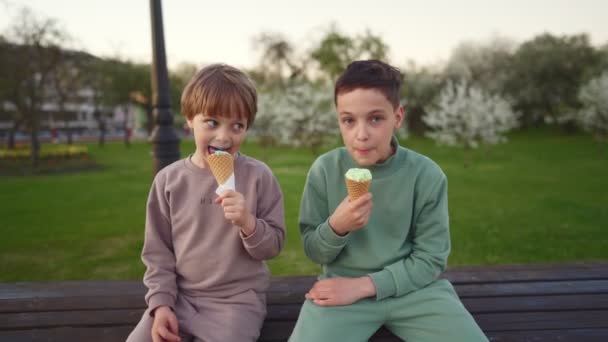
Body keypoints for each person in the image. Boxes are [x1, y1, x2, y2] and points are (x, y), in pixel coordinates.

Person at [289, 60, 488, 342]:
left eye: (375, 118)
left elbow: (430, 259)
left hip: (415, 291)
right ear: (338, 120)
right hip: (341, 292)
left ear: (397, 117)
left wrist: (364, 286)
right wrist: (337, 227)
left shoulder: (426, 175)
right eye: (349, 120)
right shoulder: (324, 170)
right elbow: (314, 251)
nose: (361, 134)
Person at [127, 64, 286, 342]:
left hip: (236, 302)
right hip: (180, 297)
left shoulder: (259, 177)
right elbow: (158, 252)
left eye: (237, 125)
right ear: (189, 118)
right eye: (212, 122)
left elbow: (273, 246)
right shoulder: (168, 181)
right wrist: (161, 305)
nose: (224, 137)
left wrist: (248, 223)